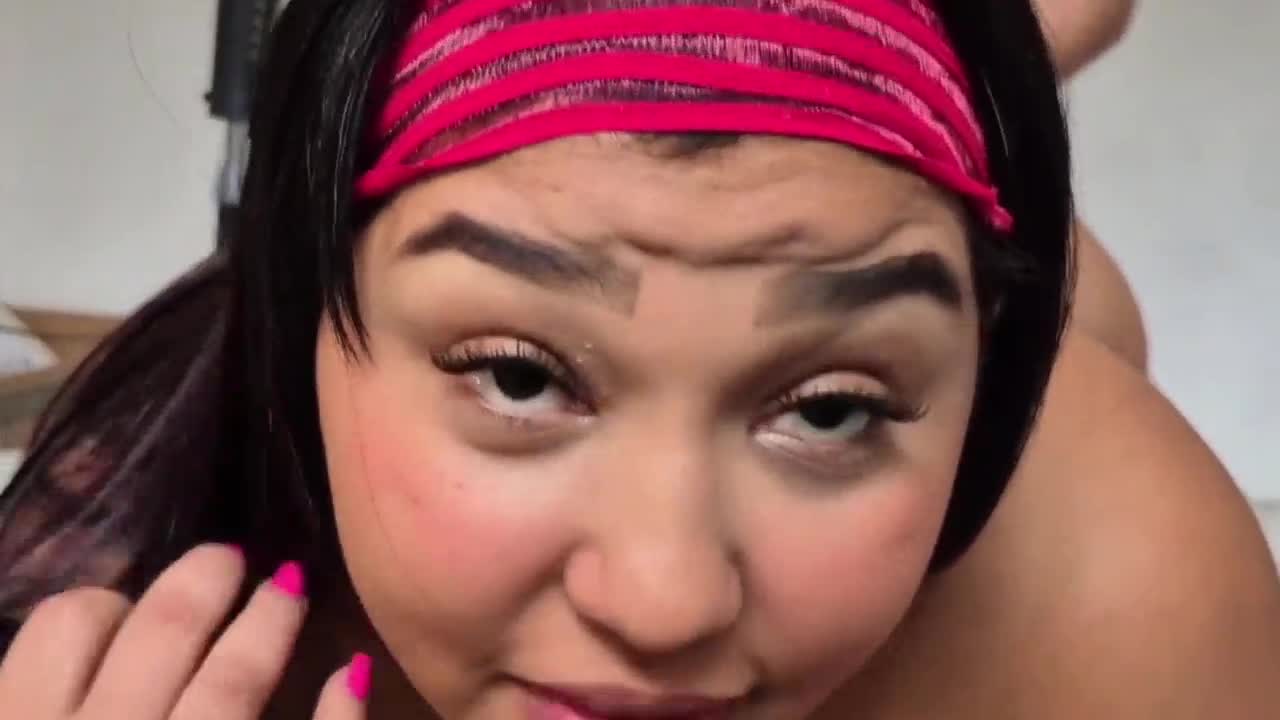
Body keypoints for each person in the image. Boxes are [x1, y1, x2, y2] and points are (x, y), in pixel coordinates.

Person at [0, 2, 1276, 719]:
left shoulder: (1122, 608)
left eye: (829, 411)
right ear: (303, 329)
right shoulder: (107, 596)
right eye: (518, 377)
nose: (663, 608)